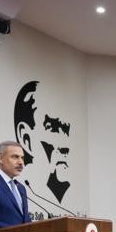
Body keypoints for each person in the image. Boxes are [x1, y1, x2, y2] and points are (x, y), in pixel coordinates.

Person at [14, 80, 73, 208]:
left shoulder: (23, 190)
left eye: (65, 129)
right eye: (52, 128)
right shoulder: (22, 189)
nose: (64, 146)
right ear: (26, 138)